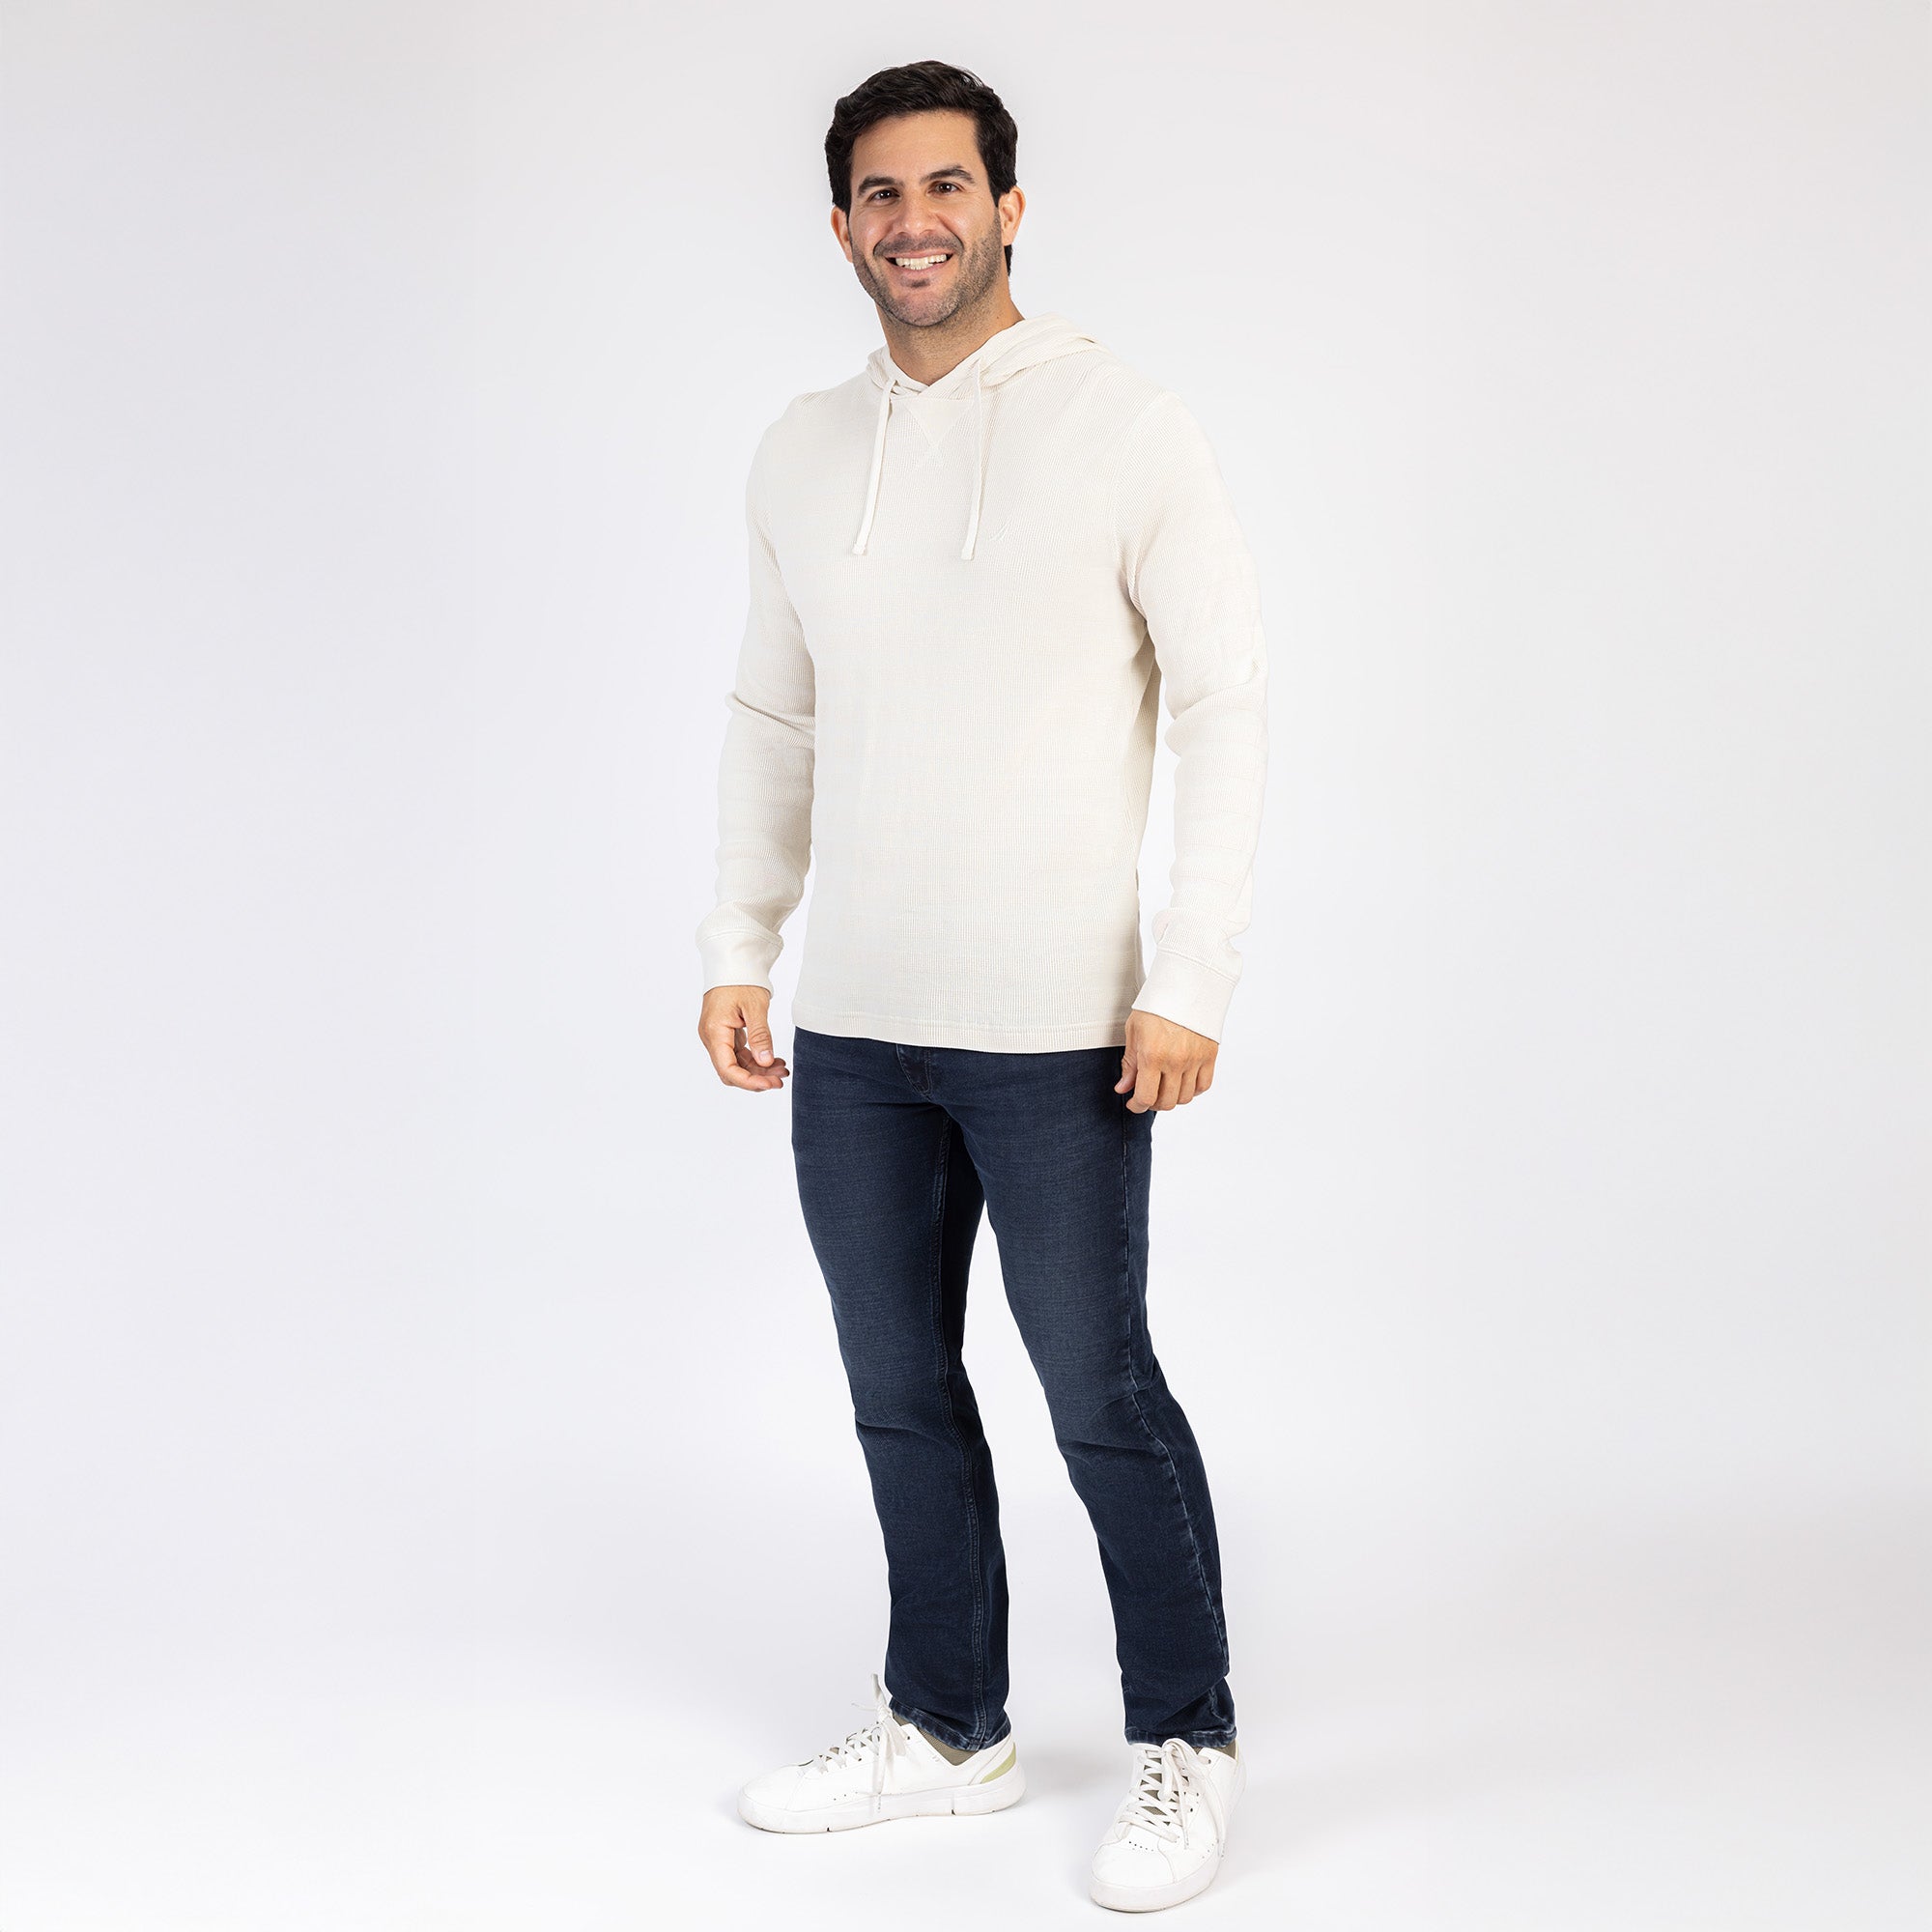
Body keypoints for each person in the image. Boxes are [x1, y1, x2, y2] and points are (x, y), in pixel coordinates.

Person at [695, 58, 1269, 1914]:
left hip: (1062, 1031)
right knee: (895, 1387)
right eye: (881, 192)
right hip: (860, 1027)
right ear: (841, 225)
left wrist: (1190, 972)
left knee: (1098, 1391)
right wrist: (741, 944)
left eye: (948, 186)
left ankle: (1188, 1739)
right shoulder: (801, 450)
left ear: (1009, 209)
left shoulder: (1128, 426)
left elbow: (1224, 705)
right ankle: (949, 1726)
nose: (915, 220)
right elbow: (773, 714)